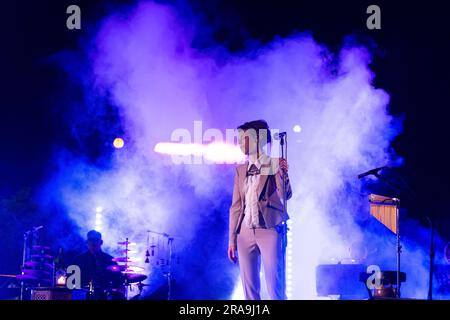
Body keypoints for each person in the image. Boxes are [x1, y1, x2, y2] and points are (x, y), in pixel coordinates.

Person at [228, 120, 292, 300]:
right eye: (239, 139)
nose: (240, 142)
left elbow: (285, 195)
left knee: (275, 287)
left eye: (244, 138)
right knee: (249, 290)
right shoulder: (240, 170)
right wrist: (232, 239)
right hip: (244, 232)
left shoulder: (273, 163)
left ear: (257, 139)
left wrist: (282, 173)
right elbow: (236, 206)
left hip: (269, 229)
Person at [73, 230, 124, 299]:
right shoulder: (78, 260)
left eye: (96, 240)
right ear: (87, 242)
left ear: (101, 242)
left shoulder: (110, 260)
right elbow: (71, 282)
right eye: (91, 240)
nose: (94, 243)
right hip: (83, 296)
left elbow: (119, 281)